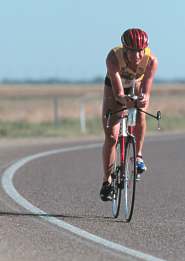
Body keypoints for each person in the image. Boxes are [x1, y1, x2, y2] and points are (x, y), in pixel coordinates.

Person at [100, 28, 158, 201]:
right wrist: (124, 101)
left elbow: (146, 91)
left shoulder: (151, 61)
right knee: (111, 136)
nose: (138, 55)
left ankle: (138, 155)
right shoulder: (113, 58)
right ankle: (107, 181)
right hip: (115, 86)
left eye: (141, 51)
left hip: (136, 83)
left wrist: (143, 99)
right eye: (133, 51)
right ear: (125, 49)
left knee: (141, 112)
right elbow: (118, 94)